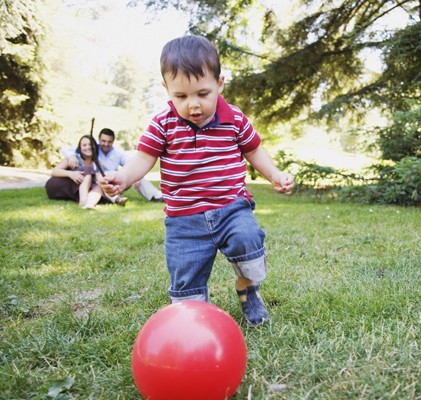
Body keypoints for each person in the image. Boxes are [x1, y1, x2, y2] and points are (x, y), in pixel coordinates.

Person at [101, 35, 294, 326]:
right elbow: (143, 157)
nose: (193, 105)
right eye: (181, 96)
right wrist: (123, 177)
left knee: (248, 240)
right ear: (167, 90)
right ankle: (193, 319)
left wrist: (276, 175)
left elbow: (254, 150)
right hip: (184, 220)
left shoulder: (235, 119)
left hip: (232, 209)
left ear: (220, 84)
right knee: (186, 282)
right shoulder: (162, 123)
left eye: (203, 94)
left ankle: (248, 289)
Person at [62, 128, 164, 204]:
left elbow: (131, 163)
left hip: (117, 182)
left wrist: (135, 178)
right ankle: (117, 199)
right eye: (103, 141)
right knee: (104, 179)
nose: (106, 144)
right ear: (99, 140)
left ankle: (156, 196)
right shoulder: (93, 148)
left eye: (109, 141)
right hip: (100, 183)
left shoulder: (117, 153)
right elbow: (66, 149)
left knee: (138, 177)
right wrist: (71, 156)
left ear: (113, 141)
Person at [46, 135, 105, 209]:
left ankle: (90, 204)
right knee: (88, 170)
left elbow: (100, 178)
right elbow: (54, 171)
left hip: (75, 189)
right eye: (84, 145)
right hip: (57, 185)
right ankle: (83, 202)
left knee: (98, 187)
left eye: (90, 144)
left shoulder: (97, 163)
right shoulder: (73, 159)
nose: (88, 147)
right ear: (80, 148)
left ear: (95, 146)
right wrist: (71, 174)